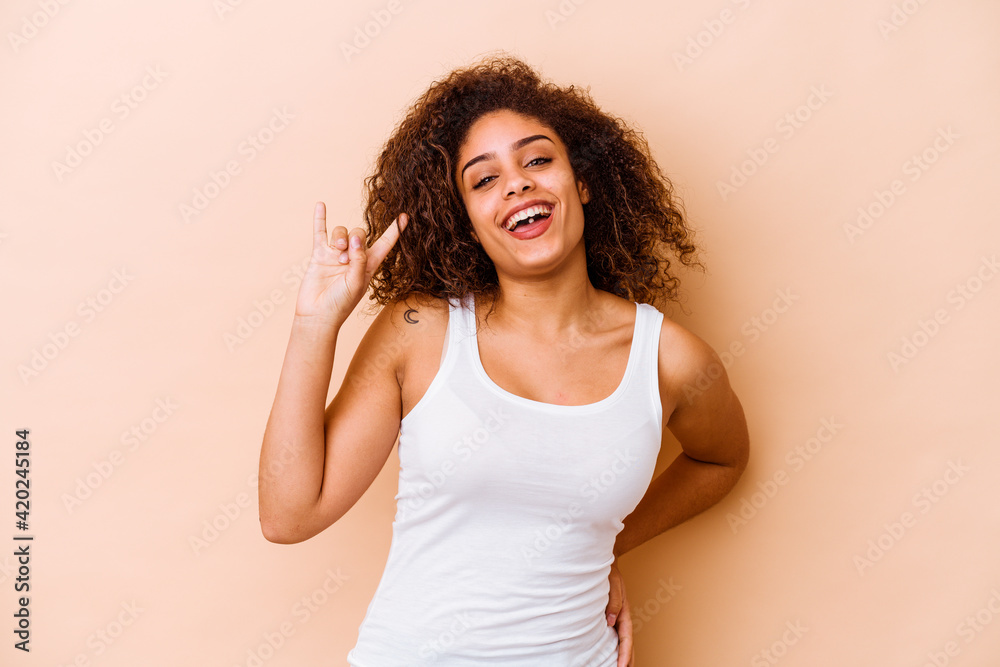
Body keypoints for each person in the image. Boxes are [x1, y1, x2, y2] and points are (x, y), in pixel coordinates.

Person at [258, 55, 750, 666]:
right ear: (465, 219)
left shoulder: (667, 358)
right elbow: (288, 516)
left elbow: (722, 458)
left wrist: (610, 546)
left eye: (537, 160)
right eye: (484, 179)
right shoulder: (421, 332)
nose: (516, 184)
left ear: (583, 182)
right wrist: (315, 326)